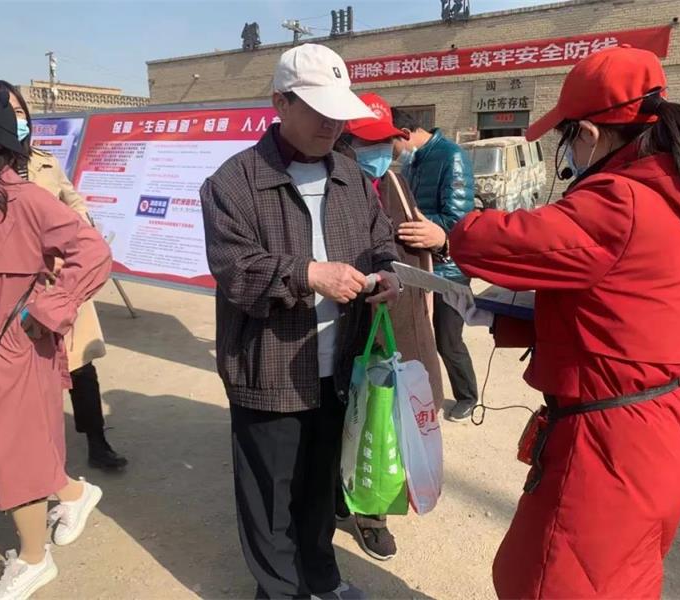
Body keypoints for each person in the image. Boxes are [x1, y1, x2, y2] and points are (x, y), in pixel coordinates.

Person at [449, 47, 680, 598]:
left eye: (566, 139)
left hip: (606, 439)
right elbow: (622, 313)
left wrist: (453, 227)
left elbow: (488, 241)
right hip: (657, 422)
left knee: (546, 581)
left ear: (587, 133)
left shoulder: (620, 200)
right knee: (623, 578)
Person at [200, 44, 400, 600]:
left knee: (319, 489)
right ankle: (280, 592)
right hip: (270, 370)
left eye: (338, 112)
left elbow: (380, 240)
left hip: (340, 368)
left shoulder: (350, 175)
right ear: (280, 103)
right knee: (271, 500)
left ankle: (322, 579)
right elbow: (236, 270)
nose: (332, 124)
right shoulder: (233, 183)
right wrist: (308, 274)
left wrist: (387, 274)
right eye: (317, 110)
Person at [0, 86, 112, 599]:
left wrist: (49, 310)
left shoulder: (23, 199)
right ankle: (74, 492)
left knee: (11, 450)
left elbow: (92, 252)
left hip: (14, 344)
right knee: (10, 441)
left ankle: (33, 559)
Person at [0, 78, 127, 471]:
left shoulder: (45, 163)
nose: (16, 118)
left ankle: (97, 442)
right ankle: (31, 461)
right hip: (10, 290)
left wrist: (74, 237)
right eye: (6, 111)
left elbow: (74, 204)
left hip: (60, 283)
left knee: (80, 366)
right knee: (17, 376)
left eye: (19, 110)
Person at [333, 92, 446, 561]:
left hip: (401, 317)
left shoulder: (396, 182)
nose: (379, 153)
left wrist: (438, 237)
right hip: (349, 321)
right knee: (349, 412)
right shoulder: (330, 185)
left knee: (389, 418)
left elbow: (423, 241)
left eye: (385, 143)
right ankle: (342, 494)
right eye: (367, 144)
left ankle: (373, 512)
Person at [390, 108, 478, 422]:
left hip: (449, 269)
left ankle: (468, 396)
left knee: (448, 340)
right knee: (422, 337)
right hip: (421, 266)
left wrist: (412, 223)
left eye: (391, 144)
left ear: (404, 133)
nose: (391, 153)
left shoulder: (450, 156)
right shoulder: (412, 162)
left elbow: (458, 220)